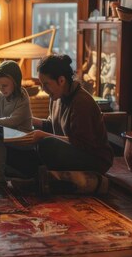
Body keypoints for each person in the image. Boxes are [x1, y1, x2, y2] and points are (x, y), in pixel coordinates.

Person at [27, 54, 113, 193]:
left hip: (94, 158)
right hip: (72, 149)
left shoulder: (81, 102)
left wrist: (43, 136)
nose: (43, 89)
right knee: (23, 146)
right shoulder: (56, 96)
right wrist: (28, 120)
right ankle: (49, 178)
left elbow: (82, 143)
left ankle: (92, 180)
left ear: (61, 80)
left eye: (46, 84)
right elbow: (52, 125)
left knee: (46, 145)